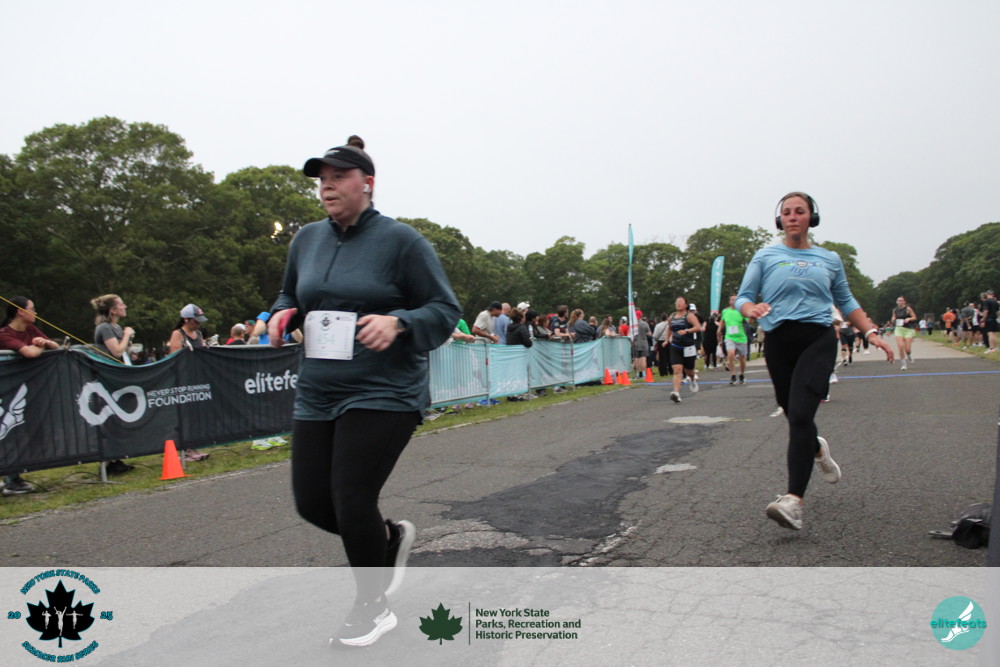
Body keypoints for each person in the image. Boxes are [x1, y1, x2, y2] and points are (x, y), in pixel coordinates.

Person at [268, 136, 461, 647]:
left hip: (383, 390)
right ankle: (388, 538)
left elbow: (444, 310)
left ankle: (372, 607)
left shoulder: (402, 242)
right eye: (321, 179)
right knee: (313, 504)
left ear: (367, 184)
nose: (326, 186)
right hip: (319, 389)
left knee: (352, 497)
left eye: (338, 177)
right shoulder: (306, 239)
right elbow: (290, 293)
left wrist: (399, 322)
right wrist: (282, 313)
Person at [737, 192, 893, 531]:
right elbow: (744, 297)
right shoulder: (765, 256)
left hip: (818, 338)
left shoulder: (829, 259)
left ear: (812, 218)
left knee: (801, 414)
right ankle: (816, 448)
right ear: (780, 220)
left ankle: (794, 501)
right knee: (794, 413)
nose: (793, 217)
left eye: (800, 211)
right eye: (787, 212)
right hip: (779, 341)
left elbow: (846, 301)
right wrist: (751, 309)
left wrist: (871, 333)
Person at [0, 297, 60, 495]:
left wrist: (45, 342)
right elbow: (30, 353)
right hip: (7, 394)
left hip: (24, 392)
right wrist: (41, 345)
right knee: (9, 434)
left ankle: (13, 477)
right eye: (32, 309)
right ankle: (11, 480)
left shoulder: (31, 329)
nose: (35, 313)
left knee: (20, 434)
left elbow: (55, 346)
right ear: (20, 311)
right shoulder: (4, 334)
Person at [91, 294, 137, 474]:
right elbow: (116, 351)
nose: (125, 306)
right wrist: (127, 335)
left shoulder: (116, 327)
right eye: (121, 304)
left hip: (118, 376)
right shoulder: (105, 328)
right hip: (106, 378)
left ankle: (116, 458)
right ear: (113, 310)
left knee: (119, 419)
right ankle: (107, 462)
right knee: (109, 418)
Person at [166, 304, 210, 462]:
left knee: (196, 415)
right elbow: (174, 357)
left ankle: (193, 446)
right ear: (186, 319)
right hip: (183, 380)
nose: (198, 324)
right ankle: (185, 449)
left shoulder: (198, 334)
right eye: (195, 321)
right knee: (184, 416)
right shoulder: (178, 334)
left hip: (197, 378)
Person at [665, 296, 701, 403]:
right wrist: (666, 340)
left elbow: (698, 327)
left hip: (688, 347)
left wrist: (686, 331)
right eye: (677, 302)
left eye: (681, 302)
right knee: (677, 370)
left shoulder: (689, 316)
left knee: (689, 371)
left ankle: (692, 379)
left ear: (686, 305)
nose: (678, 304)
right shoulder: (672, 317)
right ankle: (676, 393)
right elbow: (669, 329)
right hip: (676, 346)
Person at [720, 294, 749, 385]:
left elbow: (748, 321)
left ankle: (742, 374)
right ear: (729, 301)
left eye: (735, 300)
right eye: (732, 299)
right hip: (729, 337)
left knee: (742, 358)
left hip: (741, 337)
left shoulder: (741, 311)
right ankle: (733, 375)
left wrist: (752, 316)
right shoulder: (725, 311)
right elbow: (722, 321)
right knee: (731, 354)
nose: (734, 301)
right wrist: (719, 330)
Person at [891, 296, 918, 370]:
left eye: (901, 300)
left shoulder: (908, 308)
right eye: (898, 300)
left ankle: (909, 355)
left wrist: (909, 318)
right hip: (899, 329)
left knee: (907, 349)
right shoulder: (895, 310)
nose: (900, 302)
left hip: (908, 329)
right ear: (896, 302)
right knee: (900, 347)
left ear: (904, 302)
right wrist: (893, 319)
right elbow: (893, 317)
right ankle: (903, 363)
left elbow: (914, 317)